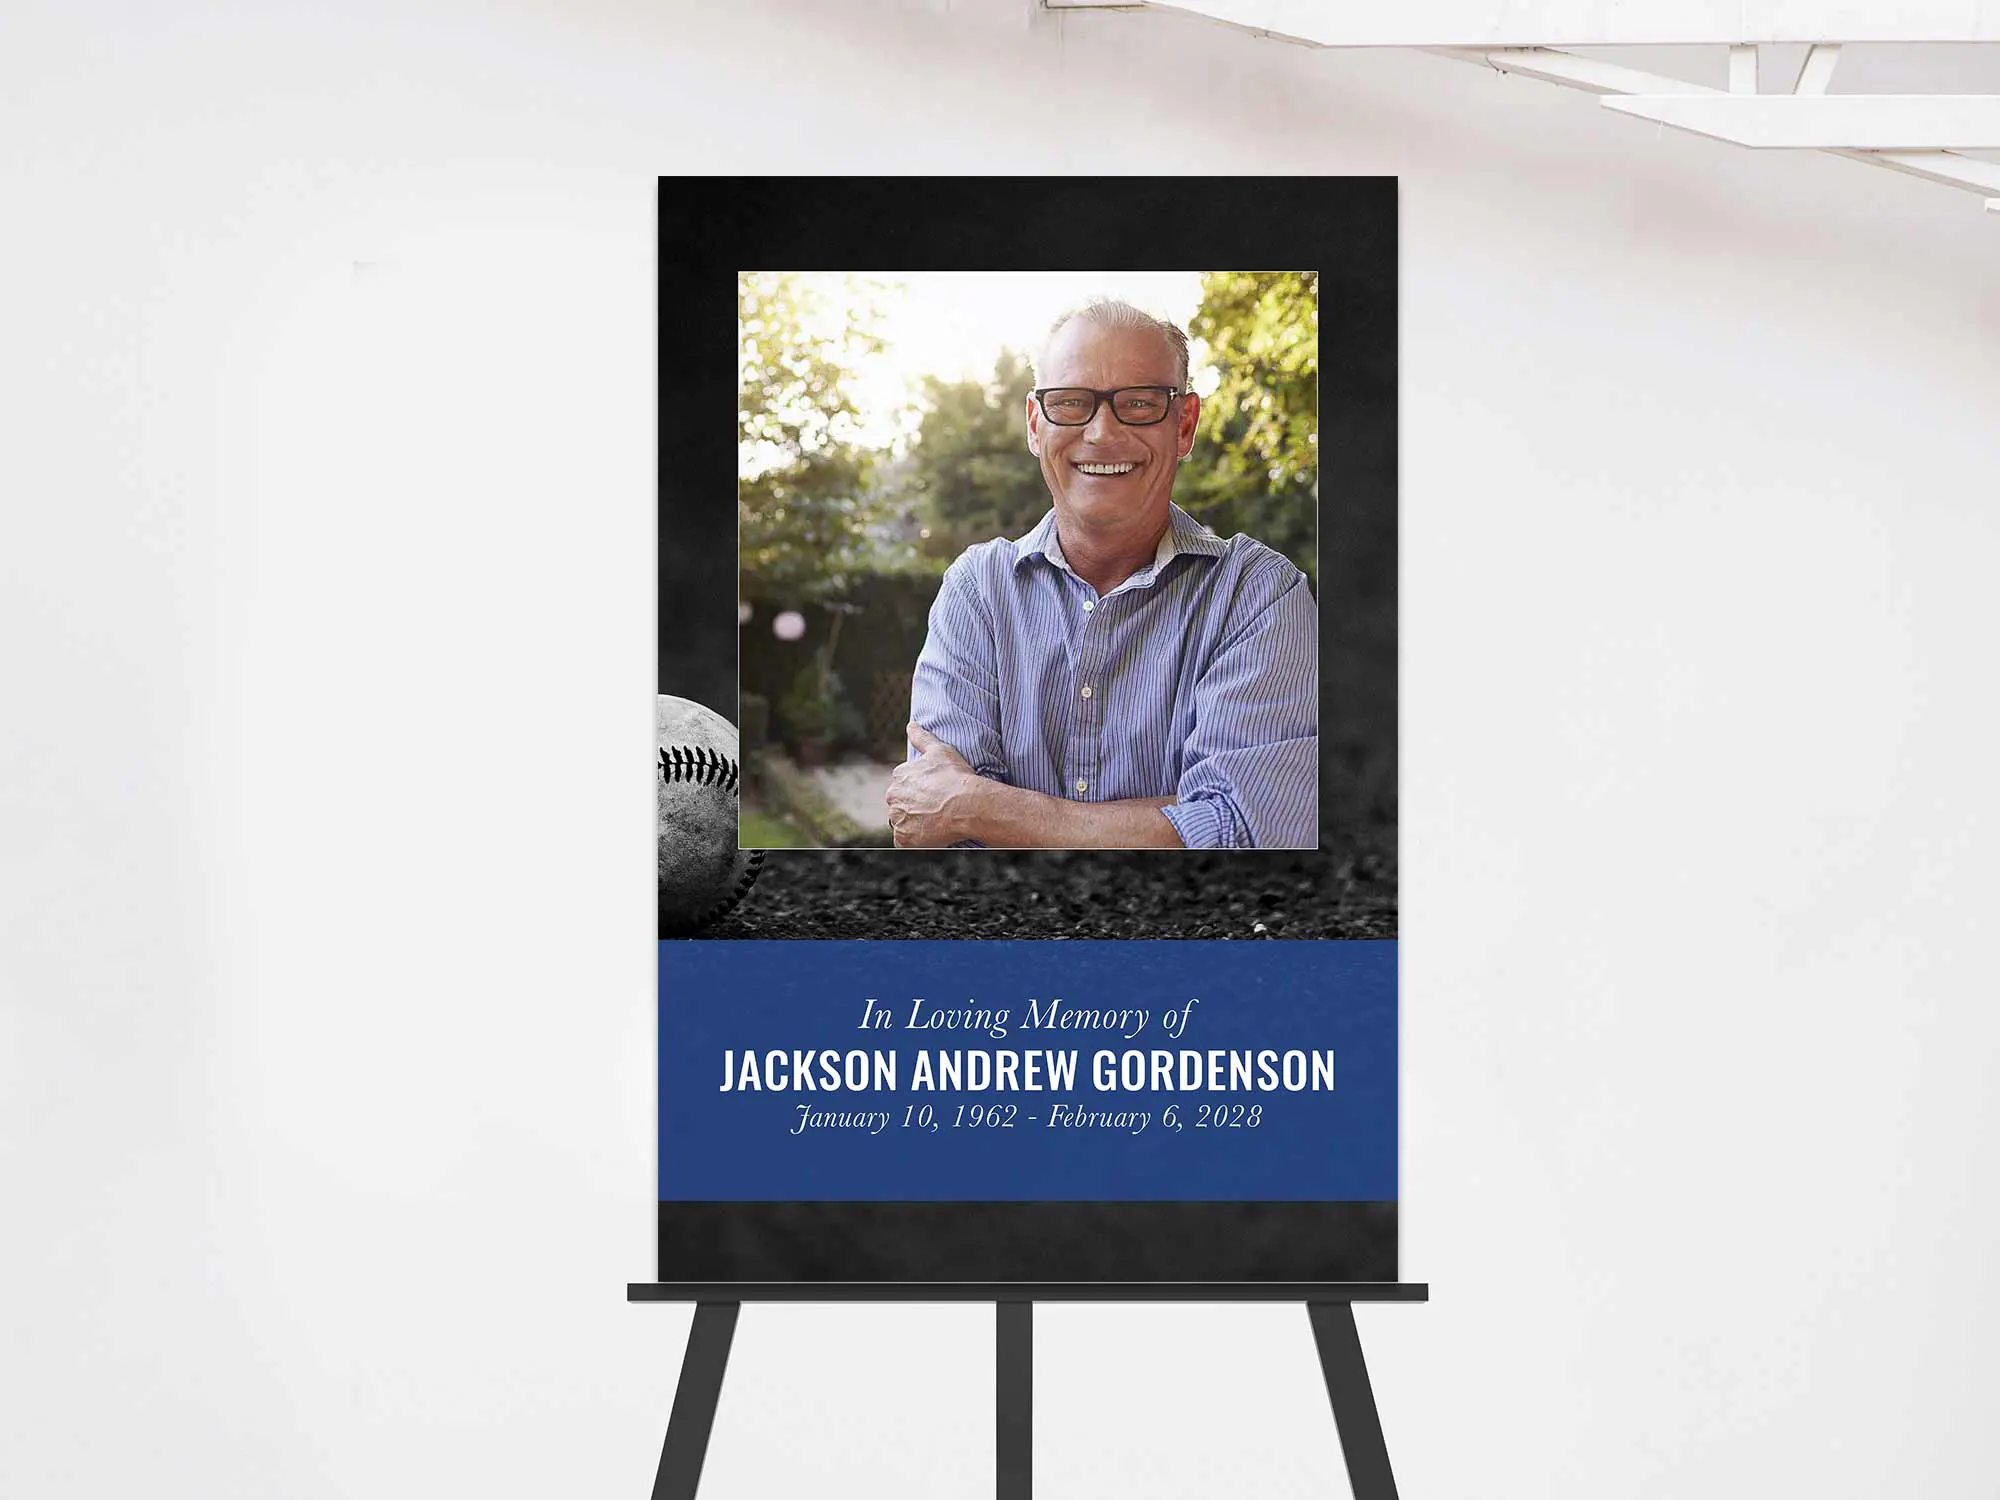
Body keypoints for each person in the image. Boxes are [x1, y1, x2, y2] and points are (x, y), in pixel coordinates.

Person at [886, 298, 1317, 850]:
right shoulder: (977, 591)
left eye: (1139, 404)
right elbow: (936, 836)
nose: (1102, 432)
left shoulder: (1259, 596)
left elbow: (1249, 834)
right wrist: (1178, 818)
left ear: (1184, 424)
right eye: (1071, 403)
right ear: (1035, 425)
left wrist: (978, 805)